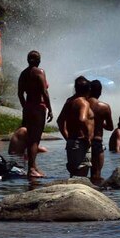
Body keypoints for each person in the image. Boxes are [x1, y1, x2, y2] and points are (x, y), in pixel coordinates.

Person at [17, 50, 52, 178]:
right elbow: (44, 91)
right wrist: (50, 108)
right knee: (35, 139)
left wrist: (25, 106)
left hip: (28, 107)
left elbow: (20, 93)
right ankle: (31, 168)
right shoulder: (39, 72)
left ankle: (33, 166)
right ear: (39, 60)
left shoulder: (23, 74)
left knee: (30, 138)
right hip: (38, 107)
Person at [57, 76, 93, 177]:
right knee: (81, 174)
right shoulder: (83, 103)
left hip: (72, 142)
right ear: (88, 89)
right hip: (81, 142)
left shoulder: (70, 101)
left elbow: (60, 121)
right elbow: (82, 119)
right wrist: (87, 137)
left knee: (74, 174)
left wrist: (67, 137)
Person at [88, 80, 114, 183]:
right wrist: (99, 123)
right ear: (100, 91)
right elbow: (110, 127)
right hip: (96, 141)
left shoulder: (83, 103)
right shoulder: (104, 107)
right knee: (96, 175)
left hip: (83, 140)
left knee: (79, 174)